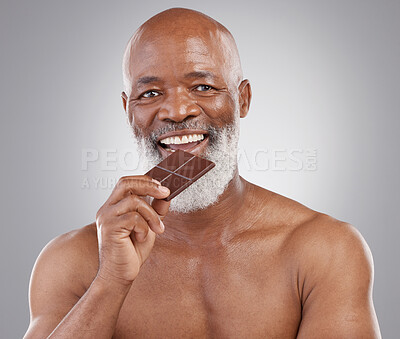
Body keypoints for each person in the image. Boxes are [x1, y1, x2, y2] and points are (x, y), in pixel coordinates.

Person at [24, 7, 381, 338]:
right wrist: (110, 282)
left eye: (203, 87)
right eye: (150, 93)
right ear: (128, 110)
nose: (177, 111)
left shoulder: (324, 250)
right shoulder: (71, 262)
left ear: (242, 99)